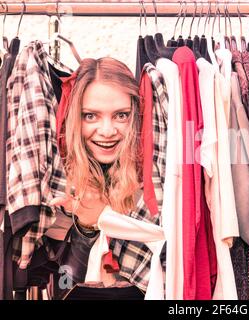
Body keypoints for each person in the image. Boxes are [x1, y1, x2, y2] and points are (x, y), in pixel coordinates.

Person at [50, 57, 165, 300]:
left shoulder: (156, 179)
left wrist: (104, 217)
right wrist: (86, 228)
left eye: (121, 115)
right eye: (91, 116)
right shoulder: (61, 174)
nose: (107, 131)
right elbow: (67, 280)